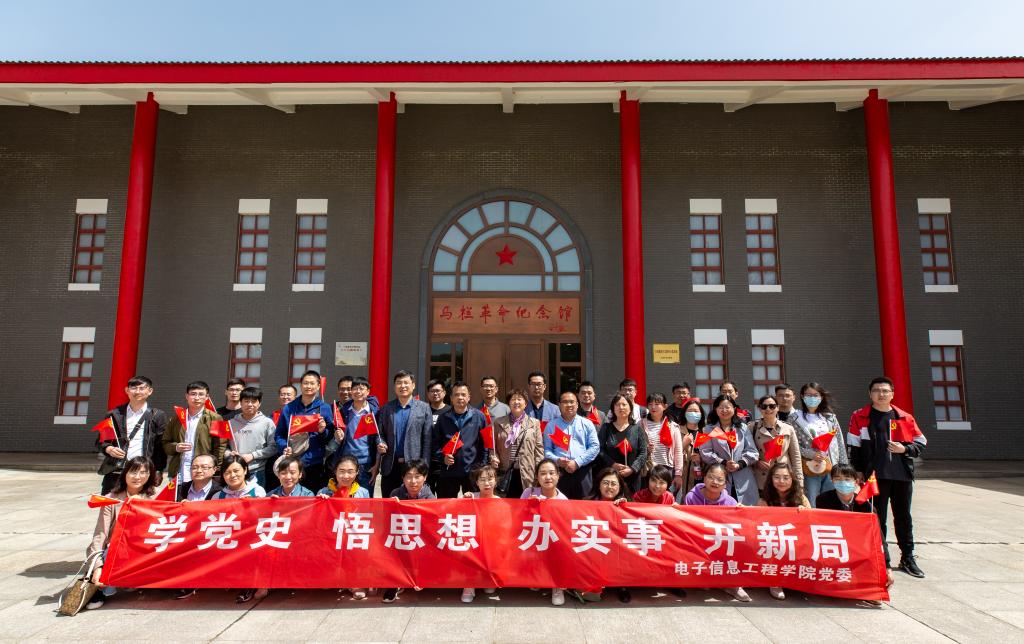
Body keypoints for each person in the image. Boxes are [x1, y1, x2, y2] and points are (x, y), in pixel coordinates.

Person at [847, 376, 927, 578]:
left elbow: (921, 442)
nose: (881, 394)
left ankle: (907, 557)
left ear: (892, 394)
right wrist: (858, 470)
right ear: (870, 394)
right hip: (874, 478)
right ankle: (882, 559)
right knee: (877, 518)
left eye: (885, 391)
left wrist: (904, 449)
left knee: (903, 517)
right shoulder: (860, 416)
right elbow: (854, 446)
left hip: (902, 476)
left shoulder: (904, 417)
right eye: (876, 390)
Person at [84, 456, 159, 609]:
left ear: (149, 475)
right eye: (133, 472)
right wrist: (97, 567)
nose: (137, 477)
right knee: (111, 552)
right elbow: (100, 534)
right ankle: (99, 587)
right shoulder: (111, 499)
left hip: (144, 549)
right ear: (125, 474)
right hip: (117, 549)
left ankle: (134, 581)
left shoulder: (154, 499)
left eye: (143, 472)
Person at [682, 463, 749, 602]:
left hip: (721, 543)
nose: (715, 482)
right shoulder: (691, 497)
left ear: (725, 484)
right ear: (704, 478)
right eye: (711, 477)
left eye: (720, 479)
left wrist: (743, 512)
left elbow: (738, 527)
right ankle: (703, 577)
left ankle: (733, 585)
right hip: (698, 540)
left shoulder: (731, 502)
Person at [96, 375, 168, 494]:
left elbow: (160, 447)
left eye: (142, 388)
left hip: (143, 472)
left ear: (150, 391)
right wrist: (108, 449)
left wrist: (159, 470)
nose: (137, 391)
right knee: (110, 502)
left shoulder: (157, 415)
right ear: (127, 390)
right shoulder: (114, 414)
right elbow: (101, 441)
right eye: (134, 388)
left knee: (141, 503)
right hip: (117, 471)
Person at [382, 460, 435, 604]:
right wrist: (391, 505)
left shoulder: (430, 498)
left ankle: (420, 576)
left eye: (417, 476)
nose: (413, 481)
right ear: (403, 478)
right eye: (409, 476)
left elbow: (432, 527)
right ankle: (395, 583)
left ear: (425, 477)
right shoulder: (396, 493)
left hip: (421, 538)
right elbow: (388, 521)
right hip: (402, 537)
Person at [377, 370, 434, 500]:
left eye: (406, 382)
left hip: (414, 467)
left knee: (413, 504)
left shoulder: (424, 408)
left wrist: (424, 466)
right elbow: (380, 433)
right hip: (391, 465)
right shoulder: (386, 408)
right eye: (399, 383)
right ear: (394, 386)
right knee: (390, 503)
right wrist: (381, 443)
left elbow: (427, 440)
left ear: (413, 385)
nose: (402, 386)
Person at [274, 370, 335, 492]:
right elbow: (279, 434)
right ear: (301, 385)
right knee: (292, 498)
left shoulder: (324, 408)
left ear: (318, 386)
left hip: (314, 463)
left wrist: (323, 431)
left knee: (313, 498)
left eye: (312, 383)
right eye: (306, 383)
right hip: (292, 463)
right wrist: (284, 447)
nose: (309, 386)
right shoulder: (289, 408)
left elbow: (329, 436)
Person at [519, 459, 569, 605]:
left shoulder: (564, 500)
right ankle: (537, 577)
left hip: (554, 541)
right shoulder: (528, 492)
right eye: (543, 473)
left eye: (552, 473)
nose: (548, 477)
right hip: (533, 537)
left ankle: (557, 586)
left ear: (558, 475)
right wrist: (528, 506)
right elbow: (517, 517)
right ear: (537, 476)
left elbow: (565, 530)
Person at [758, 462, 810, 600]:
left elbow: (811, 522)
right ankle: (775, 582)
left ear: (792, 479)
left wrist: (804, 513)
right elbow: (759, 523)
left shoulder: (801, 498)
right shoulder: (764, 500)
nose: (781, 481)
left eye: (786, 477)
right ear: (771, 479)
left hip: (796, 538)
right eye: (777, 477)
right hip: (774, 539)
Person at [791, 382, 848, 507]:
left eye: (815, 395)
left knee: (830, 502)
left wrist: (843, 466)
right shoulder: (794, 418)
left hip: (831, 466)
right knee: (812, 501)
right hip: (809, 468)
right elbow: (792, 445)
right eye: (808, 395)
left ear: (821, 397)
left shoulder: (830, 418)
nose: (812, 398)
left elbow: (839, 441)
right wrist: (810, 454)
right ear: (802, 396)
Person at [699, 394, 759, 506]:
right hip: (719, 477)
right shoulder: (708, 429)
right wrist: (723, 462)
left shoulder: (742, 428)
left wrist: (739, 464)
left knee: (745, 510)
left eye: (728, 407)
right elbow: (705, 452)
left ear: (734, 408)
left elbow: (752, 451)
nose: (724, 410)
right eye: (721, 407)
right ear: (715, 409)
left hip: (743, 476)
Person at [162, 381, 225, 487]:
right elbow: (165, 443)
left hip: (203, 470)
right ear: (186, 396)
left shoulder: (216, 418)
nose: (197, 398)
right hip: (179, 469)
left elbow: (221, 446)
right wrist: (176, 447)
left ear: (207, 397)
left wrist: (216, 468)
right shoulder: (176, 418)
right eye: (193, 394)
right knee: (179, 496)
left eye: (201, 394)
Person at [433, 381, 487, 498]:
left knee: (473, 504)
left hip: (472, 471)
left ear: (469, 397)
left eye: (463, 394)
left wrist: (481, 466)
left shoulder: (479, 416)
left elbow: (485, 445)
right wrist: (443, 457)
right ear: (451, 398)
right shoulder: (443, 418)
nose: (460, 397)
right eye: (456, 395)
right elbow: (435, 443)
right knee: (447, 505)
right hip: (448, 471)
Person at [544, 390, 600, 499]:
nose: (569, 405)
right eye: (565, 402)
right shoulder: (551, 425)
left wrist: (577, 462)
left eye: (572, 402)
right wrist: (557, 460)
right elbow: (546, 450)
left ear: (577, 404)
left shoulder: (587, 423)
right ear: (559, 405)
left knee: (584, 504)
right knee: (560, 504)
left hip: (582, 470)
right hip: (560, 472)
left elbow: (595, 447)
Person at [332, 376, 381, 495]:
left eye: (361, 388)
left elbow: (379, 439)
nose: (358, 391)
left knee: (364, 499)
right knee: (343, 498)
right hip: (345, 464)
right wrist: (337, 437)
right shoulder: (344, 411)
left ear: (368, 391)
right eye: (354, 388)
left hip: (366, 465)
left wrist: (377, 465)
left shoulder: (375, 413)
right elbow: (336, 438)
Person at [492, 389, 544, 499]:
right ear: (508, 403)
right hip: (505, 472)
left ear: (525, 403)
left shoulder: (534, 423)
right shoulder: (498, 422)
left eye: (520, 399)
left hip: (527, 473)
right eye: (513, 399)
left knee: (526, 503)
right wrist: (493, 457)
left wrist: (539, 471)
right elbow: (493, 447)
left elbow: (539, 449)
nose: (516, 402)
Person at [589, 468, 631, 603]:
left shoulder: (626, 504)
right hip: (596, 546)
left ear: (620, 487)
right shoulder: (586, 503)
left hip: (617, 547)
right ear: (599, 485)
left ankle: (622, 585)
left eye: (614, 484)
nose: (609, 487)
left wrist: (625, 509)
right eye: (606, 483)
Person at [594, 393, 648, 496]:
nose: (621, 407)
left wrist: (632, 469)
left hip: (632, 478)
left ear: (630, 408)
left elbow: (643, 452)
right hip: (610, 477)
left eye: (624, 404)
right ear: (613, 409)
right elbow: (599, 450)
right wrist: (612, 464)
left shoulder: (637, 429)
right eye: (618, 405)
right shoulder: (606, 428)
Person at [226, 386, 278, 489]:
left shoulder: (267, 423)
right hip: (235, 470)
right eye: (246, 401)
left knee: (256, 498)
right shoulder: (231, 423)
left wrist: (252, 456)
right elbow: (224, 446)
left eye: (253, 401)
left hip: (257, 470)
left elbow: (274, 447)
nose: (250, 404)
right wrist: (228, 454)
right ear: (241, 403)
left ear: (259, 403)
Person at [460, 465, 499, 603]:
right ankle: (469, 585)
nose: (486, 483)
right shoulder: (471, 497)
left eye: (490, 479)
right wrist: (464, 500)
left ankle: (487, 580)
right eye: (482, 480)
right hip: (473, 540)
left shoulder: (500, 501)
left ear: (496, 481)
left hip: (491, 541)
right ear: (477, 482)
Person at [752, 394, 803, 492]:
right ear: (759, 409)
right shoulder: (752, 427)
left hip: (784, 477)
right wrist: (757, 462)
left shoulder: (788, 428)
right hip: (762, 479)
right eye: (764, 406)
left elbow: (796, 457)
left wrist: (799, 482)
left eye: (772, 406)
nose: (768, 409)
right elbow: (748, 451)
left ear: (777, 408)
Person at [641, 392, 688, 496]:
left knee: (666, 497)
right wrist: (646, 449)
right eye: (650, 404)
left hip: (667, 469)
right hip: (649, 468)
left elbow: (678, 451)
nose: (653, 407)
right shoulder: (641, 424)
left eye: (657, 404)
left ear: (665, 406)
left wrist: (678, 474)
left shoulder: (673, 426)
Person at [424, 379, 451, 493]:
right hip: (426, 461)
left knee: (444, 495)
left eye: (438, 391)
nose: (435, 393)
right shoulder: (423, 411)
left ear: (444, 393)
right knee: (426, 495)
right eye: (432, 391)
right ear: (428, 394)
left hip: (444, 461)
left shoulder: (450, 411)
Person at [678, 399, 706, 494]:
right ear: (684, 413)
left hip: (701, 476)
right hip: (682, 477)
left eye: (696, 411)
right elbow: (669, 455)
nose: (693, 413)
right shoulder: (677, 430)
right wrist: (683, 445)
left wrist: (701, 459)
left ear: (701, 414)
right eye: (690, 411)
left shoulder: (705, 432)